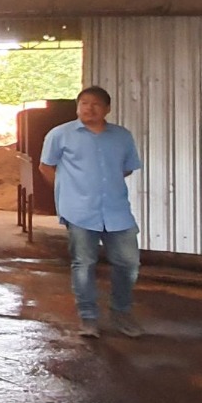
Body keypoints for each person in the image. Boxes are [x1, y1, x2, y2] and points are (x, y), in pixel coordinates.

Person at [39, 85, 144, 339]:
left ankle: (120, 313)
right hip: (79, 211)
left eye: (96, 104)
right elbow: (45, 167)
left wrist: (103, 181)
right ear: (77, 107)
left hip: (116, 210)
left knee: (128, 263)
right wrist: (68, 191)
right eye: (84, 103)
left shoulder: (122, 136)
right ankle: (88, 319)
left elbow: (127, 168)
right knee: (84, 264)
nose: (89, 108)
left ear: (107, 109)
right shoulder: (60, 134)